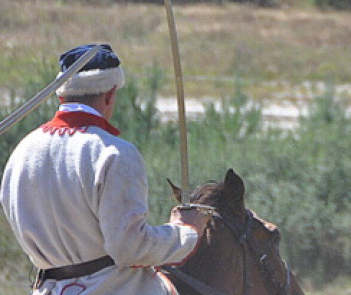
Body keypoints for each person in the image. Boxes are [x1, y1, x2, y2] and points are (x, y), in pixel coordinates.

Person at [2, 43, 209, 294]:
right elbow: (130, 247)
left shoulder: (22, 152)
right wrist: (185, 234)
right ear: (110, 94)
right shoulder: (115, 153)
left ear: (61, 95)